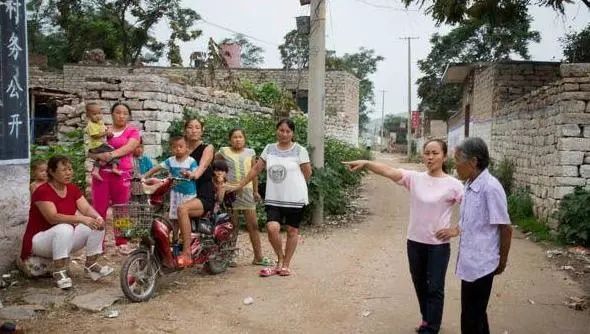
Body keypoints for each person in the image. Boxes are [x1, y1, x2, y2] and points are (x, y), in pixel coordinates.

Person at [344, 139, 464, 334]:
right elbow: (388, 171)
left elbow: (472, 209)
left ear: (444, 156)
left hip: (438, 246)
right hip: (415, 243)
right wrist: (366, 163)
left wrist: (456, 230)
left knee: (435, 287)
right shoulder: (415, 178)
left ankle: (432, 327)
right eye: (427, 153)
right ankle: (427, 319)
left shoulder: (454, 185)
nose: (430, 157)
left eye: (435, 153)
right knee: (419, 283)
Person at [233, 118, 312, 277]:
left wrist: (295, 185)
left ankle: (286, 264)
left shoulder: (299, 150)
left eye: (287, 131)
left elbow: (307, 173)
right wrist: (240, 184)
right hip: (274, 197)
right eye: (281, 130)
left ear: (292, 133)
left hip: (294, 198)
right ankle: (280, 258)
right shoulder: (269, 149)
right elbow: (256, 169)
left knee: (292, 230)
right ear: (277, 131)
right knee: (272, 228)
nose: (284, 134)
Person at [20, 155, 113, 289]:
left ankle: (91, 266)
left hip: (62, 239)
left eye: (70, 169)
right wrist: (81, 218)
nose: (69, 173)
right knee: (64, 227)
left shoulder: (72, 188)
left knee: (97, 224)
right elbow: (52, 217)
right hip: (39, 241)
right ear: (51, 172)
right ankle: (59, 271)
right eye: (64, 170)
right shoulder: (42, 191)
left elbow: (86, 208)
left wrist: (97, 217)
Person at [453, 137, 512, 334]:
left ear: (473, 162)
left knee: (471, 319)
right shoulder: (469, 185)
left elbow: (505, 228)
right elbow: (468, 222)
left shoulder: (490, 187)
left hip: (483, 264)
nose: (455, 166)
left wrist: (502, 261)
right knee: (475, 315)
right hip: (470, 264)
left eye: (457, 161)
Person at [90, 102, 140, 254]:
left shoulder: (132, 131)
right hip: (101, 175)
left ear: (129, 116)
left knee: (122, 208)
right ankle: (98, 243)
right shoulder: (103, 130)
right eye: (118, 112)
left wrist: (110, 155)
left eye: (125, 113)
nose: (121, 115)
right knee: (99, 209)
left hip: (121, 174)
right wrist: (98, 155)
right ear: (111, 114)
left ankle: (122, 241)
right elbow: (91, 148)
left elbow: (130, 147)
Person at [217, 128, 271, 267]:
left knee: (253, 225)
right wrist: (221, 184)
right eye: (234, 137)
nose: (237, 139)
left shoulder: (250, 153)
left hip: (246, 192)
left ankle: (258, 257)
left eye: (240, 137)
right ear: (230, 140)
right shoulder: (223, 152)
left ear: (244, 139)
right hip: (231, 192)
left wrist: (255, 191)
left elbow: (254, 173)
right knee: (232, 225)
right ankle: (229, 256)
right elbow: (216, 168)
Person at [176, 119, 216, 267]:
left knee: (182, 209)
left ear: (202, 130)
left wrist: (194, 174)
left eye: (197, 127)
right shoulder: (181, 147)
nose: (194, 130)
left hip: (202, 193)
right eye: (190, 127)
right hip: (183, 192)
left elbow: (203, 165)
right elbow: (169, 165)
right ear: (185, 129)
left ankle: (186, 253)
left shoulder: (207, 148)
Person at [143, 136, 197, 221]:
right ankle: (175, 234)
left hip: (188, 193)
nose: (178, 149)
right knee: (175, 217)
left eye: (180, 146)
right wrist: (145, 176)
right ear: (171, 149)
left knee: (185, 216)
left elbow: (195, 174)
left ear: (187, 147)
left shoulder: (191, 161)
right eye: (175, 147)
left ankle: (185, 233)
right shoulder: (170, 160)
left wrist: (189, 174)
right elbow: (157, 167)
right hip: (175, 192)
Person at [85, 102, 121, 181]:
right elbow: (94, 135)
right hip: (97, 146)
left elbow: (105, 130)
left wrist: (108, 133)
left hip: (98, 146)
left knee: (101, 158)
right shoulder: (91, 125)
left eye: (99, 113)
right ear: (88, 115)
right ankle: (114, 168)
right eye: (94, 114)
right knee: (114, 153)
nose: (98, 116)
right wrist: (105, 133)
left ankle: (95, 171)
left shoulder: (100, 123)